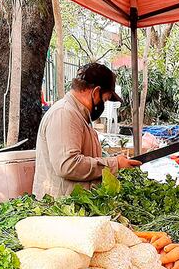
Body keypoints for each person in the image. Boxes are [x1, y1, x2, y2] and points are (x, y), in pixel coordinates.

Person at [32, 62, 140, 198]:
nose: (103, 105)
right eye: (105, 100)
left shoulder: (78, 115)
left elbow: (86, 157)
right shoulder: (64, 113)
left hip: (75, 206)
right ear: (95, 92)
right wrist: (114, 164)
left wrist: (113, 161)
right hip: (60, 210)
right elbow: (68, 165)